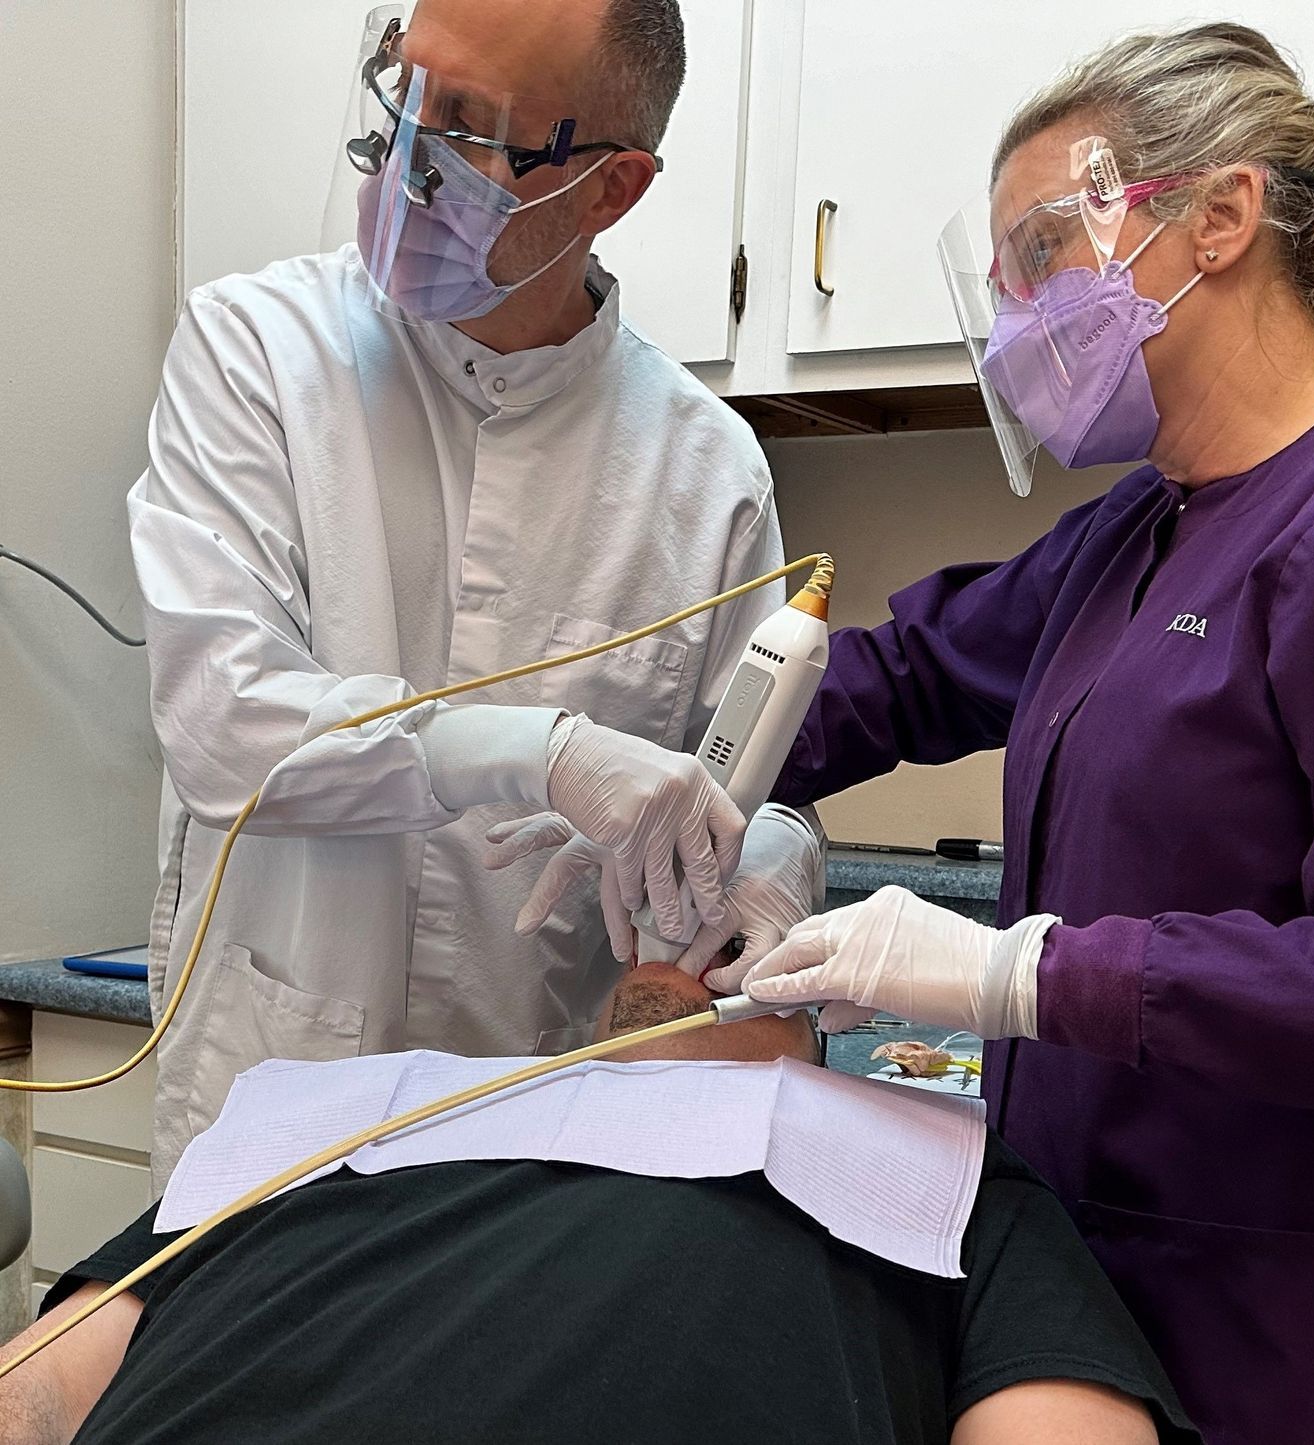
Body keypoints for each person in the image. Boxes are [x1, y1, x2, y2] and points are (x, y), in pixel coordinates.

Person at [717, 25, 1314, 1445]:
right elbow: (901, 678)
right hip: (1095, 1301)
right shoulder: (1140, 532)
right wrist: (683, 770)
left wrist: (1024, 972)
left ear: (1220, 217)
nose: (1018, 315)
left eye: (1042, 254)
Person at [128, 0, 821, 1185]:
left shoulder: (708, 470)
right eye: (406, 91)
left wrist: (766, 865)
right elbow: (222, 722)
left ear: (611, 189)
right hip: (265, 1113)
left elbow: (745, 780)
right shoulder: (255, 351)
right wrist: (538, 752)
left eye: (467, 127)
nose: (406, 154)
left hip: (542, 1131)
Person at [0, 966, 1199, 1445]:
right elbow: (42, 1385)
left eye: (732, 943)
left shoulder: (927, 1165)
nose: (683, 948)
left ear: (831, 1012)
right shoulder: (354, 1109)